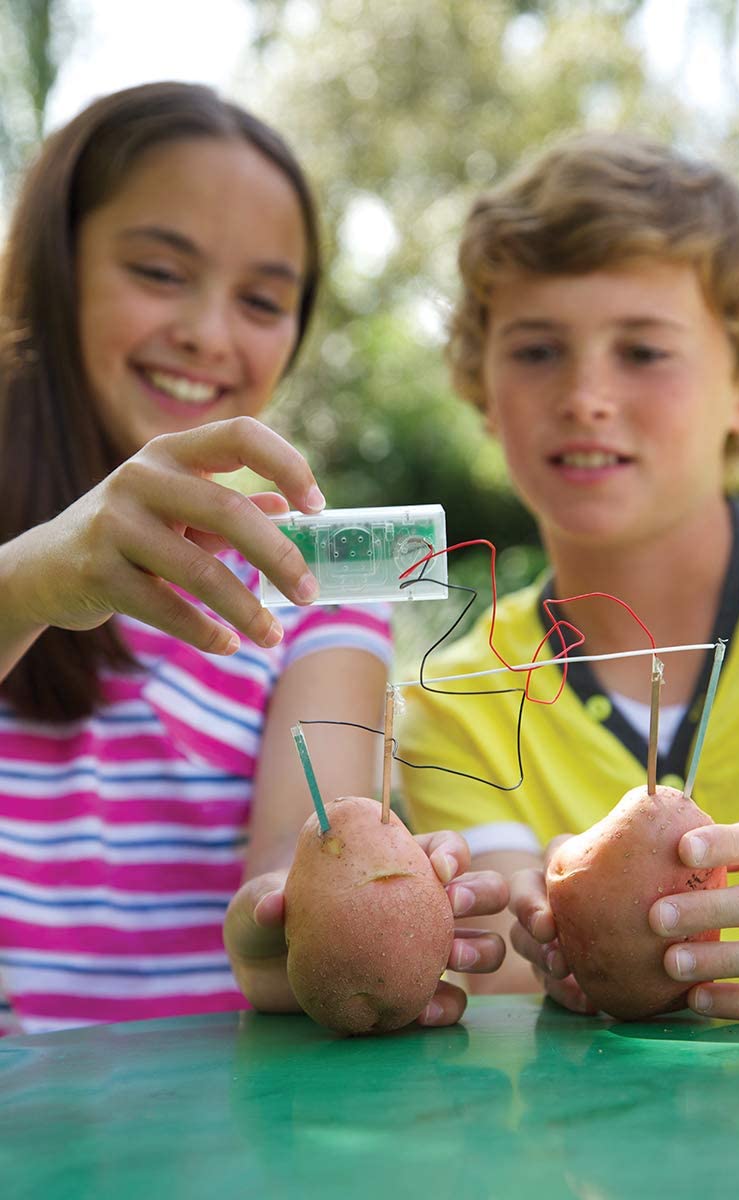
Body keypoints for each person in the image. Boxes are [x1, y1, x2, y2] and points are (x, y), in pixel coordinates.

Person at [0, 81, 507, 1034]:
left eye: (264, 299)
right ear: (57, 268)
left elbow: (293, 853)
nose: (209, 332)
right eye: (159, 271)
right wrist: (31, 580)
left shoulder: (315, 592)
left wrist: (303, 925)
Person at [399, 130, 739, 1021]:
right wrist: (551, 943)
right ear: (482, 385)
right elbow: (501, 962)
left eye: (644, 351)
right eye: (538, 350)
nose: (585, 394)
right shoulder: (452, 699)